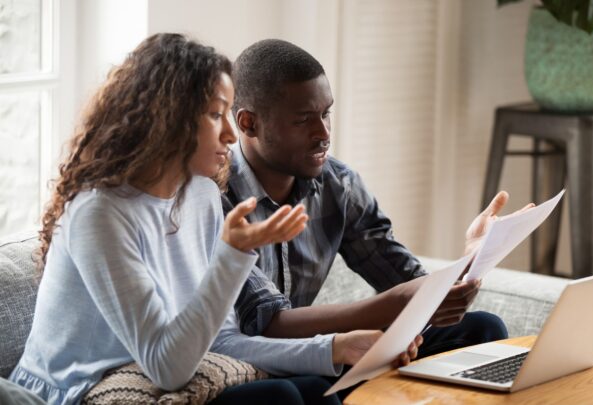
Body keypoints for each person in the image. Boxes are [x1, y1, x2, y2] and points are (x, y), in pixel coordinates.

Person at [8, 33, 343, 405]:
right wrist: (232, 254)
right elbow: (166, 367)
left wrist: (334, 348)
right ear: (169, 117)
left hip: (158, 377)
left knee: (318, 387)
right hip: (76, 390)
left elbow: (221, 342)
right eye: (217, 115)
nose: (231, 134)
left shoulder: (199, 196)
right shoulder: (99, 214)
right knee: (278, 397)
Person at [210, 39, 515, 391]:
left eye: (326, 113)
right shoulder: (215, 197)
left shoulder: (338, 185)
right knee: (300, 387)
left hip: (327, 352)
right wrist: (395, 307)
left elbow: (405, 280)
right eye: (303, 120)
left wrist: (472, 258)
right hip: (262, 362)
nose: (323, 134)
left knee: (483, 328)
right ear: (248, 123)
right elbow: (266, 323)